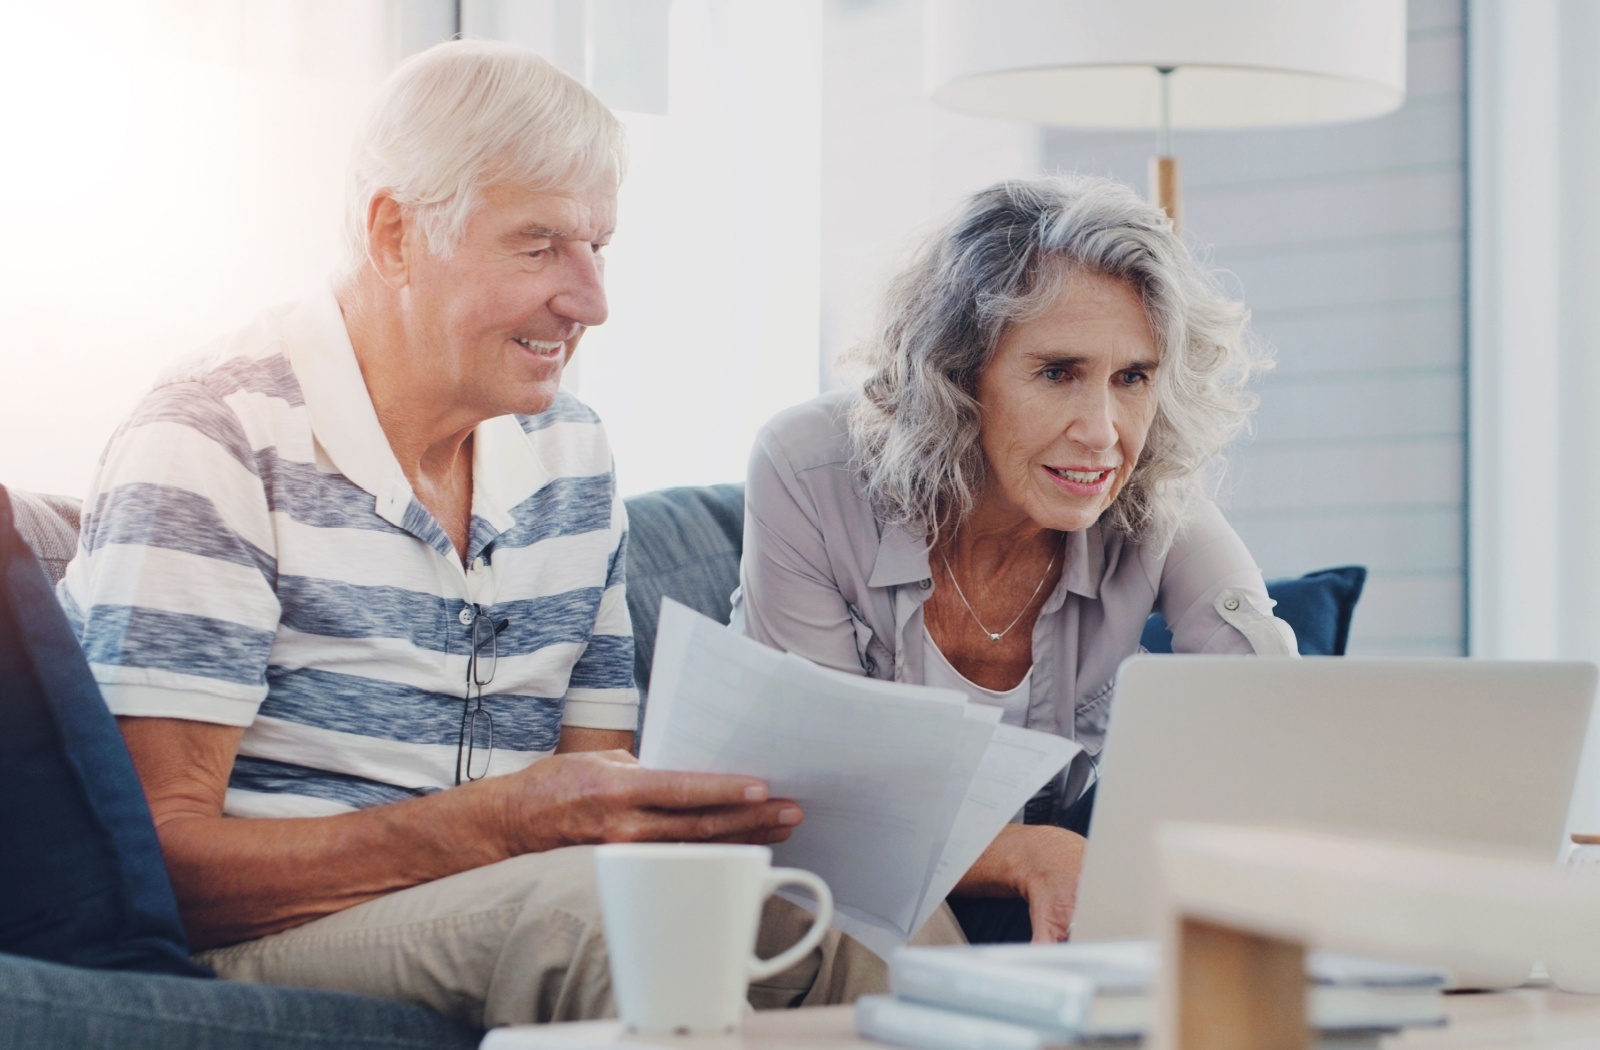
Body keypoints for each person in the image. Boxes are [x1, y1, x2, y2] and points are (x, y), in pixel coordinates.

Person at [57, 39, 895, 1030]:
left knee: (868, 928)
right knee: (605, 925)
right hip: (259, 935)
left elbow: (599, 797)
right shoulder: (214, 439)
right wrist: (506, 821)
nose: (591, 301)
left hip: (510, 897)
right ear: (394, 235)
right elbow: (157, 863)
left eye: (598, 247)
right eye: (537, 247)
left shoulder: (569, 453)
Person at [735, 174, 1297, 946]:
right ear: (959, 377)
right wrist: (1027, 853)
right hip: (832, 878)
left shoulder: (1148, 490)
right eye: (1058, 373)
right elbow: (820, 802)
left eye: (1132, 378)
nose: (1102, 432)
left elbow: (1276, 710)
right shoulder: (808, 468)